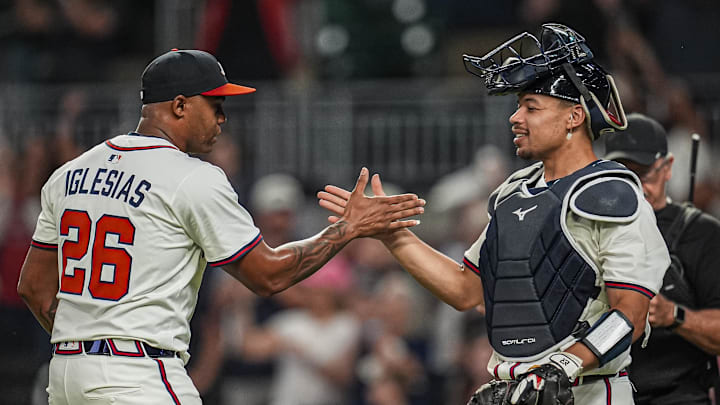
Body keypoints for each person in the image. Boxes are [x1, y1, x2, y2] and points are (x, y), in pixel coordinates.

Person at [15, 48, 426, 405]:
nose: (223, 118)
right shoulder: (192, 176)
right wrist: (348, 228)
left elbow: (33, 288)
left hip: (68, 371)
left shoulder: (69, 173)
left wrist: (90, 343)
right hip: (137, 375)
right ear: (179, 106)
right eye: (215, 105)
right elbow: (268, 274)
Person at [319, 23, 670, 405]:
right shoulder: (513, 193)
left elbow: (630, 316)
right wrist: (393, 235)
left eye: (531, 107)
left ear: (574, 117)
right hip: (516, 392)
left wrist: (564, 365)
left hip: (587, 392)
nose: (515, 118)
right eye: (518, 106)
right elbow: (465, 290)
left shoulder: (610, 193)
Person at [604, 113, 720, 405]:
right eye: (623, 175)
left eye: (642, 174)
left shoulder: (701, 234)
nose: (636, 187)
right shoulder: (592, 233)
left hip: (679, 396)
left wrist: (673, 315)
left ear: (667, 168)